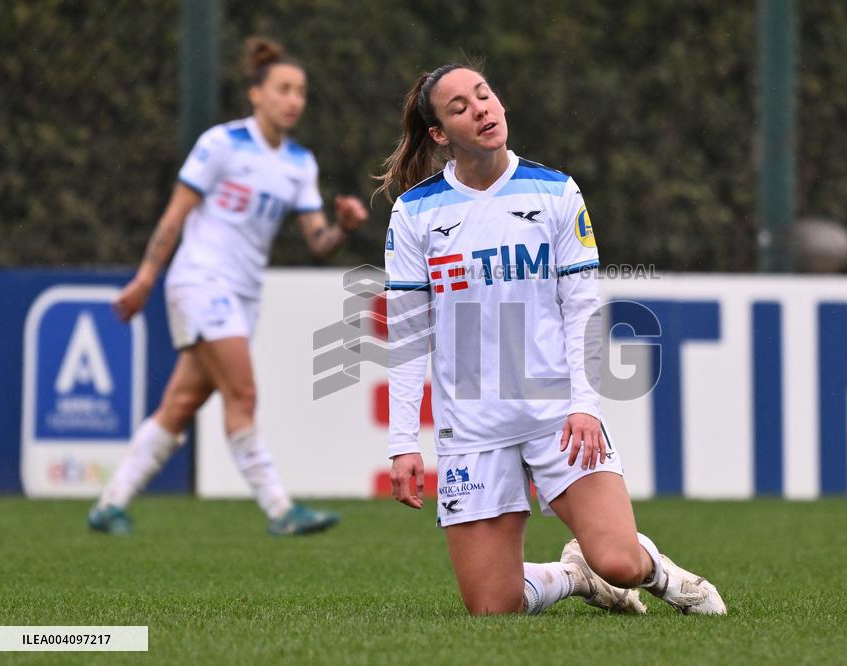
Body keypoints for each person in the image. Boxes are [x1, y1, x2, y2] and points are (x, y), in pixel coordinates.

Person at [375, 64, 726, 615]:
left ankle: (657, 573)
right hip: (471, 428)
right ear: (440, 134)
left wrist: (585, 405)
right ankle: (573, 576)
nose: (482, 110)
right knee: (494, 609)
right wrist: (402, 442)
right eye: (461, 107)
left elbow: (583, 307)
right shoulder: (415, 212)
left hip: (557, 414)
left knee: (620, 560)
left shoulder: (556, 191)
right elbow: (407, 332)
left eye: (485, 95)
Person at [88, 37, 368, 536]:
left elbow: (318, 242)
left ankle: (110, 503)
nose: (293, 100)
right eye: (282, 88)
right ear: (256, 94)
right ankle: (280, 510)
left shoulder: (300, 163)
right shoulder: (221, 144)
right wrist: (145, 279)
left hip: (243, 293)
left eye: (300, 91)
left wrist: (344, 227)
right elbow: (174, 216)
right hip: (199, 280)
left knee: (179, 406)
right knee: (242, 393)